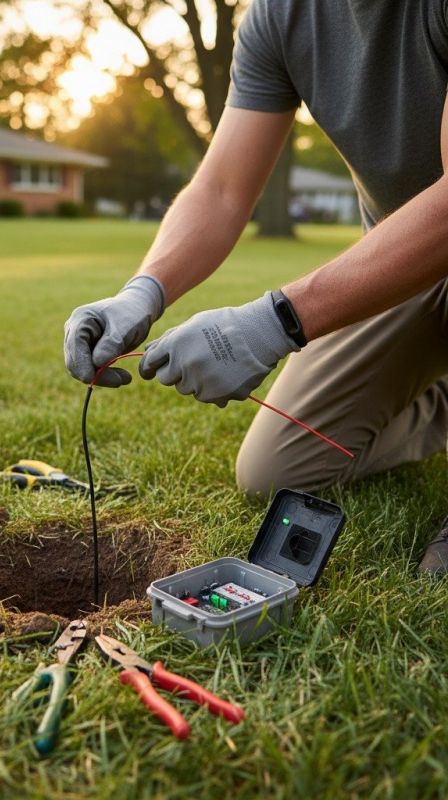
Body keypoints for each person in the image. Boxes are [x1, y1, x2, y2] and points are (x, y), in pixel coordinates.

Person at [64, 0, 448, 576]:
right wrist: (142, 291)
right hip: (401, 270)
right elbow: (220, 190)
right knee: (278, 468)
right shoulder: (281, 17)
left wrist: (278, 320)